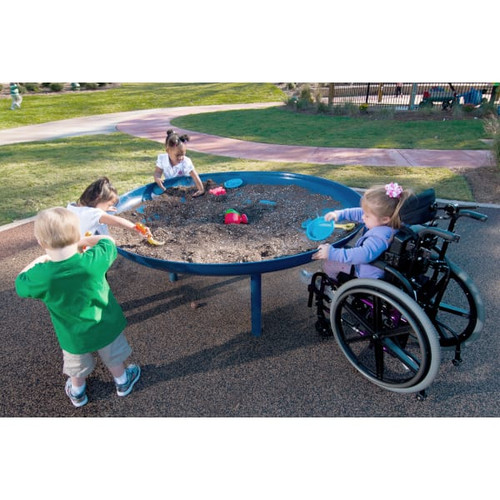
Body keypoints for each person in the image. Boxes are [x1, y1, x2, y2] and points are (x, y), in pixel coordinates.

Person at [15, 207, 140, 408]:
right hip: (105, 325)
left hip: (72, 334)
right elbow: (109, 242)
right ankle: (123, 382)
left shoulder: (43, 276)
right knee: (113, 357)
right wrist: (85, 241)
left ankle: (77, 393)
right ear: (76, 234)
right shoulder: (93, 260)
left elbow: (20, 283)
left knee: (76, 366)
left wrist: (40, 260)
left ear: (41, 242)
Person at [311, 182, 412, 281]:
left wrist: (332, 253)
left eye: (367, 216)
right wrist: (340, 214)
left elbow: (364, 254)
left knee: (329, 262)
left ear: (385, 219)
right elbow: (361, 213)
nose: (363, 217)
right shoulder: (391, 221)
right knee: (339, 252)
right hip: (372, 267)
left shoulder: (380, 236)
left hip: (368, 274)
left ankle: (330, 285)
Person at [67, 176, 153, 239]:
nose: (108, 208)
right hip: (80, 254)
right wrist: (136, 228)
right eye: (108, 205)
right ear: (98, 199)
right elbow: (118, 221)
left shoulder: (72, 206)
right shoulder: (94, 214)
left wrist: (104, 208)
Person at [154, 129, 205, 197]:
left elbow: (195, 176)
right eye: (177, 155)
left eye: (183, 154)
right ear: (168, 151)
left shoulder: (185, 162)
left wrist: (201, 189)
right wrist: (157, 178)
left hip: (185, 187)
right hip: (171, 187)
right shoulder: (162, 159)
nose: (181, 157)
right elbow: (158, 172)